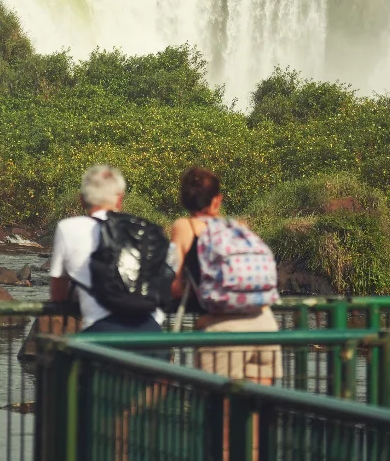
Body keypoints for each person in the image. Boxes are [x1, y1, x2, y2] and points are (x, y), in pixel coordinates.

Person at [168, 166, 282, 383]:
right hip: (265, 323)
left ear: (184, 200)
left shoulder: (185, 226)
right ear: (217, 200)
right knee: (258, 402)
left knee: (219, 403)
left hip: (224, 329)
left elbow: (173, 284)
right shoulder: (238, 226)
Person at [48, 164, 171, 333]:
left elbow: (58, 293)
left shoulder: (68, 227)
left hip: (102, 333)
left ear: (81, 199)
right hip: (151, 331)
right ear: (120, 199)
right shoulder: (143, 229)